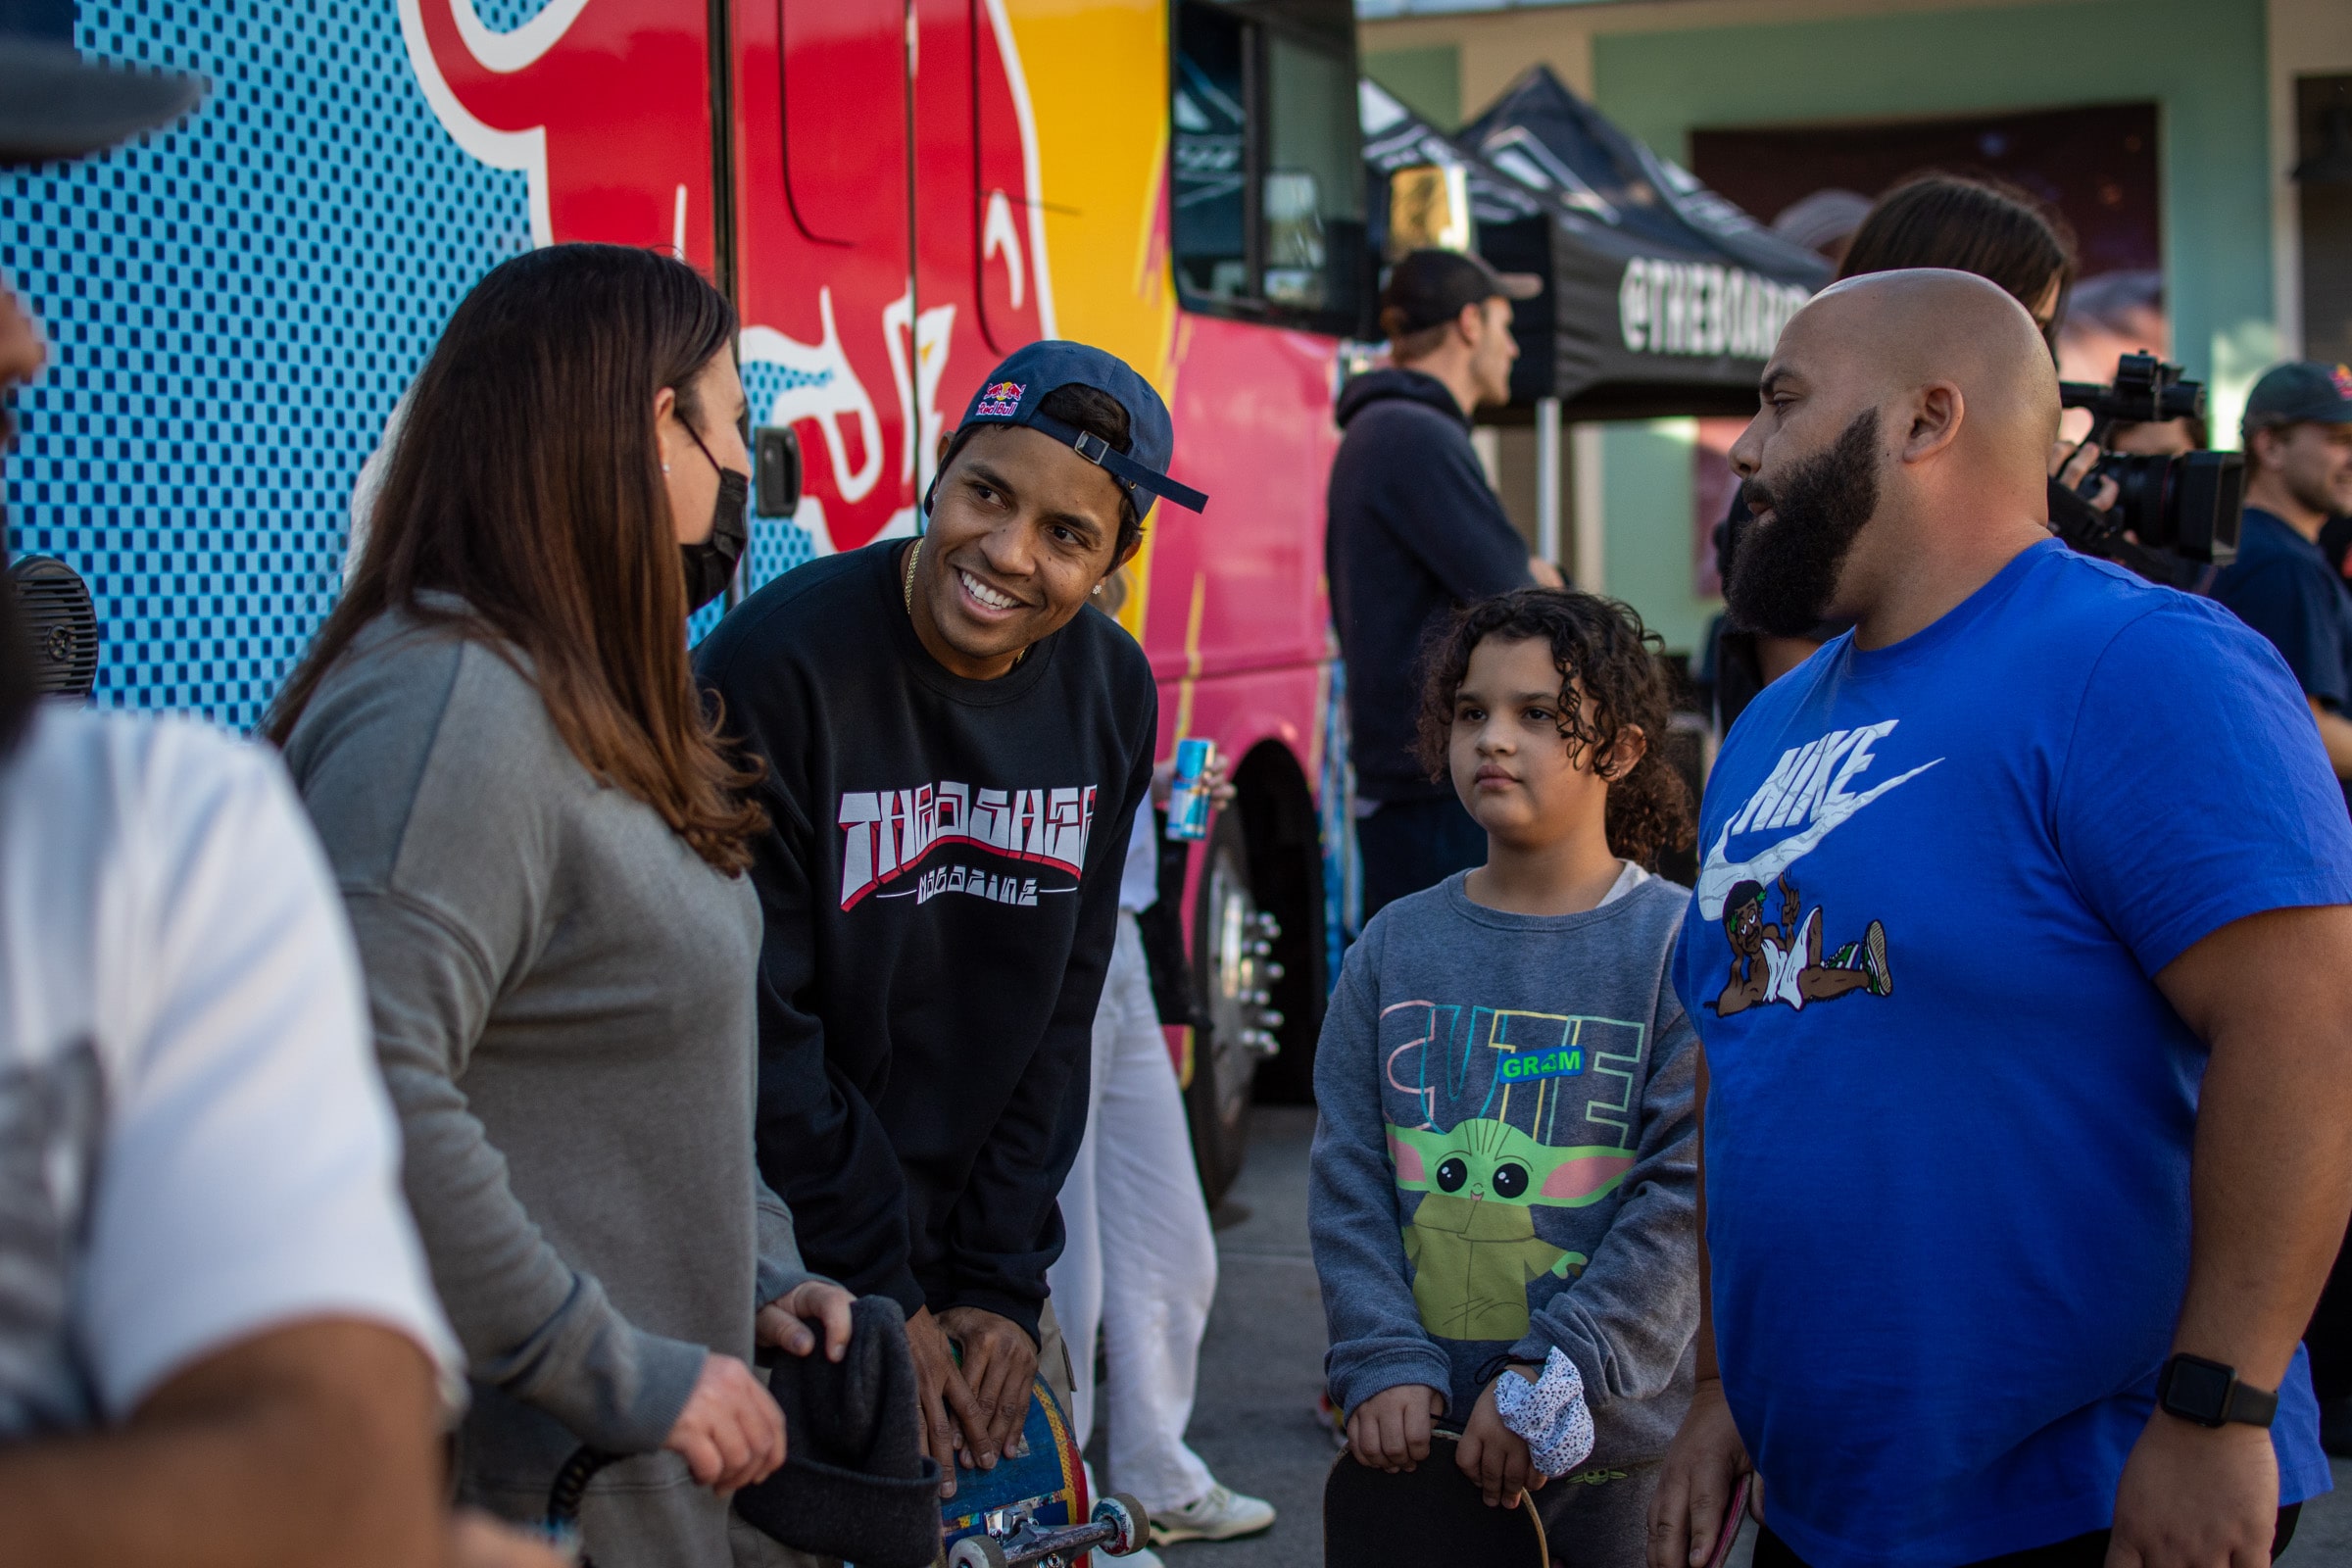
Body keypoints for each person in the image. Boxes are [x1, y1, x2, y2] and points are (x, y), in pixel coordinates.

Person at [1650, 270, 2352, 1568]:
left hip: (2083, 1493)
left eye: (1782, 402)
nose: (1744, 448)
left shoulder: (2146, 664)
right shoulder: (1765, 727)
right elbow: (1739, 1060)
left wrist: (2218, 1410)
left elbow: (2307, 1037)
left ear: (1926, 420)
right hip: (1821, 1498)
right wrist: (1716, 1391)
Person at [0, 35, 558, 1568]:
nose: (27, 340)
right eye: (698, 421)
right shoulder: (451, 713)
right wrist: (616, 1361)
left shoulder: (140, 826)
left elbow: (326, 1471)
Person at [270, 243, 855, 1568]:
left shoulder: (565, 696)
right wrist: (608, 1367)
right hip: (525, 1506)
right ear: (660, 429)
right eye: (733, 428)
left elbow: (637, 1074)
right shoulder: (452, 712)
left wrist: (753, 1274)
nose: (739, 479)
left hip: (639, 1493)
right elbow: (357, 1084)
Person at [694, 342, 1193, 1512]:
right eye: (989, 494)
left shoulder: (1113, 691)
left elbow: (1063, 1008)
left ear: (1114, 561)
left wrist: (1001, 1286)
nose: (1009, 553)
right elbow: (758, 1020)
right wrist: (878, 1285)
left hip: (979, 1265)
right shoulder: (779, 662)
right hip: (793, 1255)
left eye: (1069, 535)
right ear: (940, 472)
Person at [1311, 586, 1699, 1565]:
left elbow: (1685, 1196)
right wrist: (1382, 1358)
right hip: (1417, 1445)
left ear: (1619, 749)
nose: (1493, 738)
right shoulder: (1393, 946)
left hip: (1607, 1460)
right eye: (1473, 711)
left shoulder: (1677, 951)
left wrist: (1554, 1375)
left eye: (1537, 714)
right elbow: (1348, 1175)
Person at [1704, 172, 2103, 736]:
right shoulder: (1801, 488)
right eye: (2029, 323)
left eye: (2039, 330)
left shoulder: (2146, 641)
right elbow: (1819, 732)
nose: (2039, 356)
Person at [1047, 760, 1275, 1556]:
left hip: (1125, 935)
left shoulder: (1112, 654)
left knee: (1173, 1245)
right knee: (1061, 1274)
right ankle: (1056, 1515)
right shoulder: (1040, 638)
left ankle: (1154, 1477)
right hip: (1050, 933)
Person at [1328, 248, 1562, 920]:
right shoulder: (1412, 433)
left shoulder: (1388, 430)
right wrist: (1548, 576)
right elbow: (1521, 596)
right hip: (1436, 789)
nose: (1514, 347)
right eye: (1504, 324)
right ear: (1468, 323)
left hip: (1418, 780)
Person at [2211, 362, 2352, 810]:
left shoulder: (2243, 542)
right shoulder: (2283, 564)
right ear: (2270, 447)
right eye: (2339, 440)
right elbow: (2303, 731)